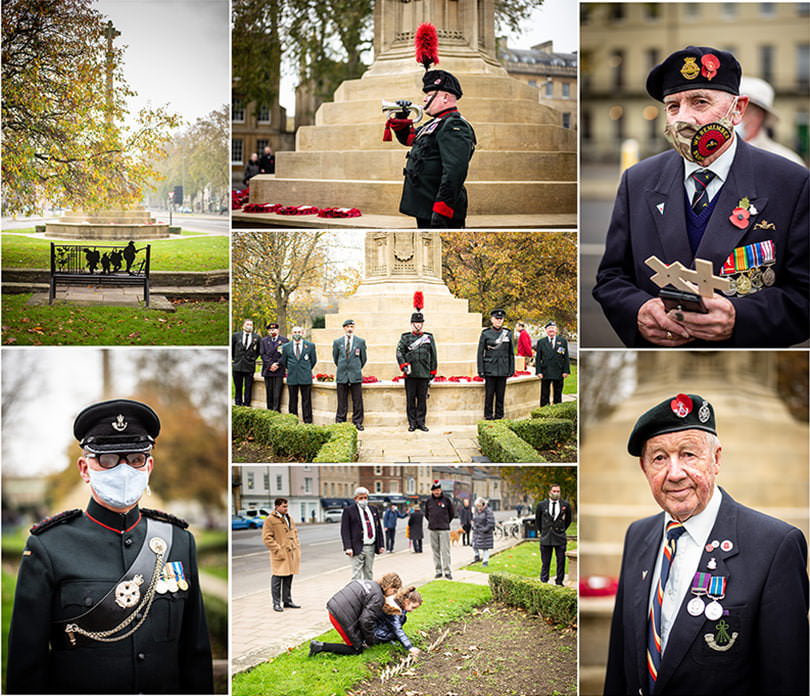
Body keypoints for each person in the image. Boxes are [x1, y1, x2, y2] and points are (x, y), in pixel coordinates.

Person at [593, 46, 809, 348]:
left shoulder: (792, 182)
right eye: (673, 106)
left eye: (700, 102)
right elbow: (612, 276)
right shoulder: (637, 180)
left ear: (738, 109)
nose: (684, 118)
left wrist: (740, 318)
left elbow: (804, 294)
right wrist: (638, 311)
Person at [604, 393, 809, 696]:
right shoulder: (638, 535)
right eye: (659, 458)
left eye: (688, 454)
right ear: (644, 468)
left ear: (715, 459)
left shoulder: (776, 546)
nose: (674, 474)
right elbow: (620, 668)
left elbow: (786, 682)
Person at [7, 399, 213, 694]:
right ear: (84, 467)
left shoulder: (178, 541)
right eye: (108, 459)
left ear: (149, 465)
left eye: (136, 458)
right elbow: (27, 666)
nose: (124, 469)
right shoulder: (48, 546)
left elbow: (195, 653)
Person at [387, 32, 475, 228]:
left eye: (429, 94)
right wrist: (401, 117)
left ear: (445, 97)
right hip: (425, 206)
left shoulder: (455, 125)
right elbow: (410, 139)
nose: (424, 99)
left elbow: (454, 172)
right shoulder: (433, 123)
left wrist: (442, 210)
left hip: (440, 210)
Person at [308, 573, 402, 657]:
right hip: (340, 616)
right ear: (388, 586)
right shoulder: (378, 596)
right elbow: (366, 620)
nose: (392, 595)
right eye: (394, 591)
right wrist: (371, 640)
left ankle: (320, 646)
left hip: (335, 607)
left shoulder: (367, 582)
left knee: (357, 640)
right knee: (356, 649)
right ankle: (319, 646)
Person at [738, 76, 804, 166]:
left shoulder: (787, 161)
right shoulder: (715, 156)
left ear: (760, 116)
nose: (733, 116)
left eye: (742, 110)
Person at [396, 300, 437, 432]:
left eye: (420, 323)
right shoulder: (405, 338)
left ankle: (421, 422)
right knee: (410, 400)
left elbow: (434, 354)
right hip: (411, 374)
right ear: (412, 324)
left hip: (424, 373)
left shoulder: (428, 337)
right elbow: (399, 352)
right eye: (416, 323)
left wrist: (432, 371)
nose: (418, 325)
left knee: (422, 401)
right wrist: (404, 365)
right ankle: (412, 423)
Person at [262, 497, 301, 613]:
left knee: (289, 578)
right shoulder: (270, 520)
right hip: (280, 554)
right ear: (277, 506)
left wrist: (297, 546)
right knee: (277, 579)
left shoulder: (289, 518)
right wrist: (278, 550)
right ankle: (276, 603)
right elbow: (266, 538)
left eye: (287, 506)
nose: (286, 508)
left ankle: (287, 601)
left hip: (291, 553)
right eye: (284, 506)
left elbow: (295, 534)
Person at [477, 308, 515, 420]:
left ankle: (499, 416)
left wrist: (511, 369)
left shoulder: (507, 333)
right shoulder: (486, 333)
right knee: (489, 395)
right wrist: (481, 369)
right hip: (490, 368)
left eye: (501, 319)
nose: (499, 321)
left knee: (500, 395)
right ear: (492, 319)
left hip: (503, 369)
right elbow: (480, 353)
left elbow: (511, 353)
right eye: (496, 319)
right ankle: (488, 416)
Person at [340, 487, 385, 580]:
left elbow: (378, 528)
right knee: (356, 573)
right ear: (355, 499)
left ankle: (368, 592)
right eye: (361, 498)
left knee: (368, 571)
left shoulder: (373, 509)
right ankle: (357, 592)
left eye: (365, 498)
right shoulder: (349, 511)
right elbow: (345, 530)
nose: (364, 500)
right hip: (357, 546)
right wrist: (348, 547)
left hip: (371, 546)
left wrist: (381, 545)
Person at [332, 319, 367, 430]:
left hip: (355, 375)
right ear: (344, 328)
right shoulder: (337, 342)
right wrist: (344, 367)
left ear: (354, 328)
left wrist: (355, 368)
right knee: (341, 400)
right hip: (342, 375)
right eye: (347, 326)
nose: (350, 329)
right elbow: (335, 358)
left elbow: (363, 359)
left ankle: (357, 422)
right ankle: (340, 421)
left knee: (357, 401)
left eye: (351, 326)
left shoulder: (360, 342)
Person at [535, 483, 572, 585]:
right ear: (549, 492)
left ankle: (559, 582)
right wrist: (543, 532)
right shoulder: (541, 505)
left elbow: (568, 520)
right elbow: (537, 521)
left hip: (560, 538)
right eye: (554, 491)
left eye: (558, 491)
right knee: (545, 562)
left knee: (561, 562)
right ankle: (544, 580)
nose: (556, 493)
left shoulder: (565, 505)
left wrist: (561, 530)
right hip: (546, 538)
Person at [280, 326, 317, 424]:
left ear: (302, 333)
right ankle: (293, 420)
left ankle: (308, 421)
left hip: (305, 377)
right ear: (292, 334)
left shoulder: (310, 346)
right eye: (295, 332)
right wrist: (292, 369)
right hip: (292, 377)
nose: (297, 334)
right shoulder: (286, 347)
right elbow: (284, 361)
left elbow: (313, 361)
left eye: (299, 332)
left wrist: (305, 369)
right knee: (292, 400)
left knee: (306, 400)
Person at [373, 586, 423, 656]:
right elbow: (397, 628)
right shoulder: (393, 609)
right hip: (377, 632)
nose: (412, 611)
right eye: (413, 607)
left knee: (401, 621)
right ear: (406, 601)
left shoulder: (400, 604)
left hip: (382, 626)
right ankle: (384, 640)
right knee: (395, 631)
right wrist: (410, 647)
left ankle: (391, 638)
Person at [534, 321, 570, 406]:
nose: (551, 330)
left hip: (558, 371)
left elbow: (566, 357)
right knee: (544, 394)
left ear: (556, 330)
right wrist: (538, 371)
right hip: (545, 371)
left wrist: (566, 371)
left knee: (558, 394)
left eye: (553, 328)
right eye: (549, 328)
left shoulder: (562, 341)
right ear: (546, 330)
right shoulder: (541, 342)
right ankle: (544, 411)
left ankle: (557, 410)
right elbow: (538, 358)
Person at [424, 481, 455, 579]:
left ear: (441, 490)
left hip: (444, 529)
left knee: (445, 551)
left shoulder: (446, 500)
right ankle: (438, 571)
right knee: (435, 551)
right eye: (434, 490)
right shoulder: (429, 501)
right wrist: (432, 522)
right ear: (432, 491)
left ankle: (447, 571)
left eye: (438, 490)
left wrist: (445, 522)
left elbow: (452, 514)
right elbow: (426, 514)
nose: (436, 492)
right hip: (433, 529)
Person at [260, 322, 288, 412]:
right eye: (270, 330)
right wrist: (270, 364)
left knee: (277, 393)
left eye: (274, 329)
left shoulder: (284, 341)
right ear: (268, 331)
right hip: (268, 370)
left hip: (278, 370)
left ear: (278, 330)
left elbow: (285, 355)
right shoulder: (264, 341)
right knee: (269, 392)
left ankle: (276, 411)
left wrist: (277, 364)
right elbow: (262, 354)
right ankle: (269, 410)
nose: (272, 331)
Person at [232, 319, 260, 407]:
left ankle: (247, 404)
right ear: (243, 325)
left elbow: (258, 351)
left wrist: (252, 359)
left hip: (249, 366)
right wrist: (235, 359)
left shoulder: (257, 337)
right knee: (238, 387)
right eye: (247, 324)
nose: (249, 326)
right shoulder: (236, 336)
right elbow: (232, 348)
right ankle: (238, 403)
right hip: (238, 365)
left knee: (248, 387)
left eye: (251, 325)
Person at [471, 497, 495, 566]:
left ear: (483, 504)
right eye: (477, 506)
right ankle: (477, 556)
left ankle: (485, 561)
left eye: (479, 506)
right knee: (474, 545)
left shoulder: (488, 511)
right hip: (477, 531)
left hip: (485, 533)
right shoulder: (476, 511)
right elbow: (474, 519)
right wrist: (474, 526)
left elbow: (491, 523)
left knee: (485, 548)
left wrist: (484, 529)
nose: (478, 508)